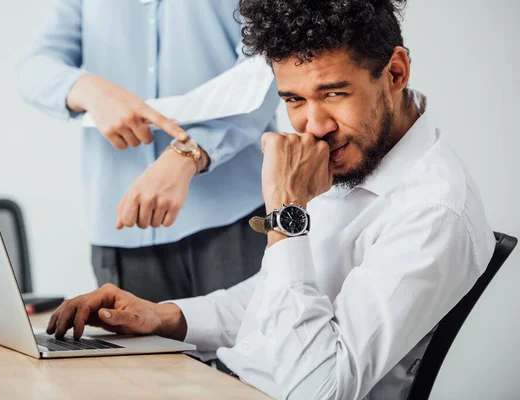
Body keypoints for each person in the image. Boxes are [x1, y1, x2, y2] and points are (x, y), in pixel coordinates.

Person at [45, 0, 496, 398]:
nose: (313, 124)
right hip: (221, 377)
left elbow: (319, 388)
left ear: (395, 72)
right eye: (294, 100)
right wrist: (162, 317)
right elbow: (273, 300)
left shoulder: (432, 212)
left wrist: (285, 208)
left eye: (334, 93)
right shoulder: (359, 161)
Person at [16, 0, 279, 302]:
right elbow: (33, 66)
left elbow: (269, 63)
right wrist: (87, 88)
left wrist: (190, 152)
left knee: (245, 343)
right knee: (137, 350)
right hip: (121, 229)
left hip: (233, 219)